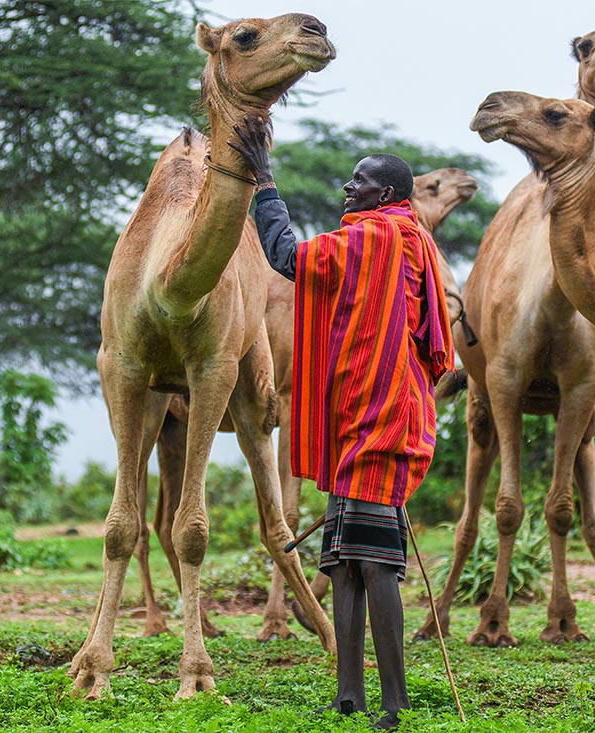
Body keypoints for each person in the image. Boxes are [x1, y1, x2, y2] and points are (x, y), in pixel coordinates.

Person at [231, 116, 453, 729]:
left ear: (385, 194)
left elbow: (286, 256)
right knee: (345, 559)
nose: (347, 188)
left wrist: (264, 185)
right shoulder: (407, 237)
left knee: (377, 563)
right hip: (369, 415)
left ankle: (395, 702)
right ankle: (349, 695)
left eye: (359, 182)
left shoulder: (372, 239)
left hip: (381, 420)